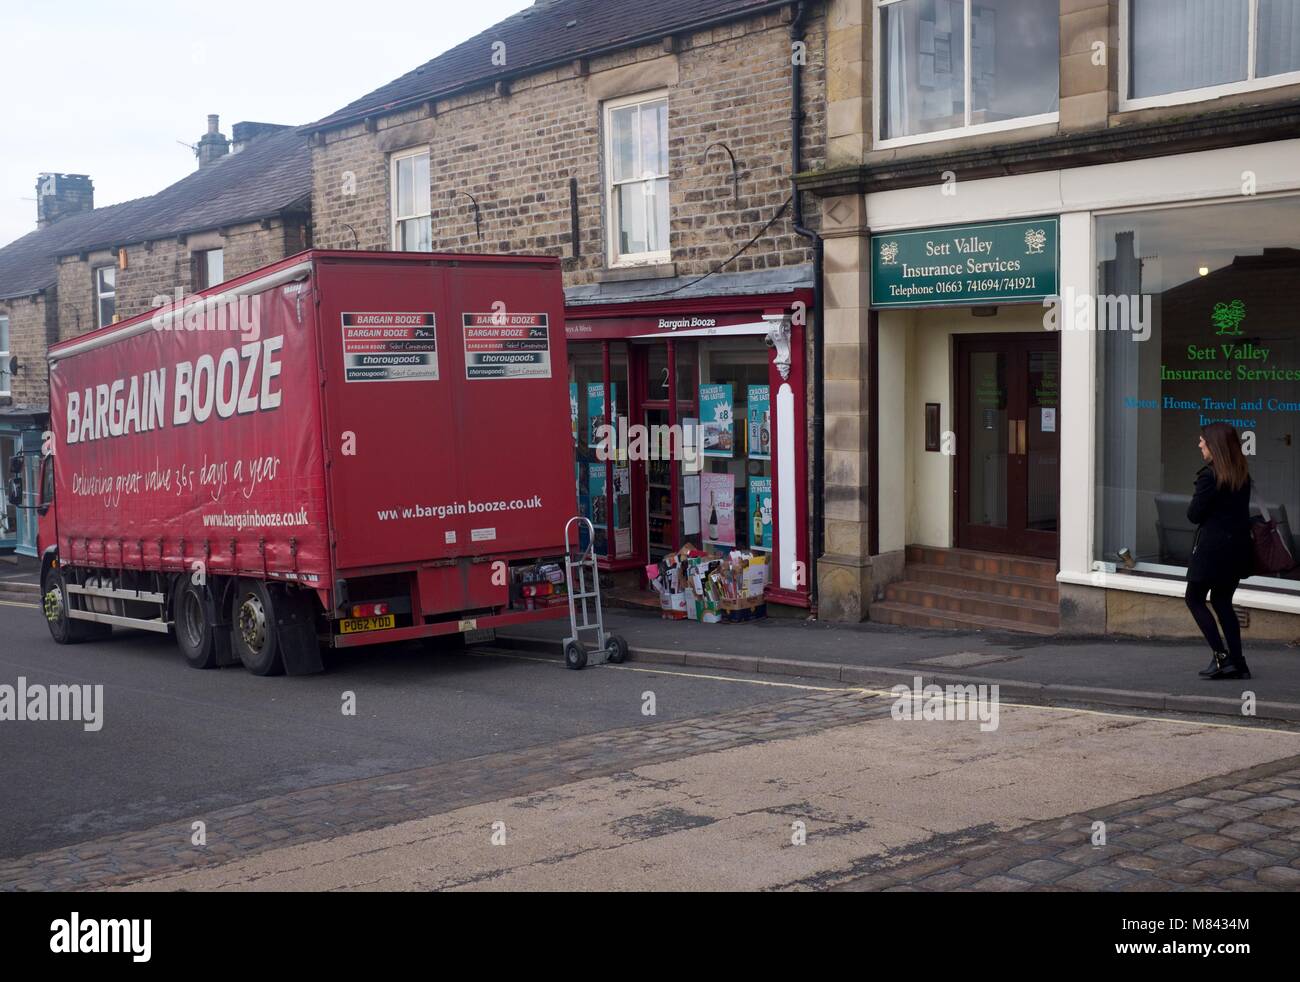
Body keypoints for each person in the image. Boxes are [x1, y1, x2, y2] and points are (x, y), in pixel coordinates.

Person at [1185, 422, 1253, 681]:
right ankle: (1238, 663)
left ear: (1215, 446)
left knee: (1194, 598)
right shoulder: (1241, 474)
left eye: (1203, 441)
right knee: (1223, 601)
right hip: (1237, 550)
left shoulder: (1209, 476)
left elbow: (1194, 515)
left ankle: (1222, 658)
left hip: (1212, 551)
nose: (1200, 444)